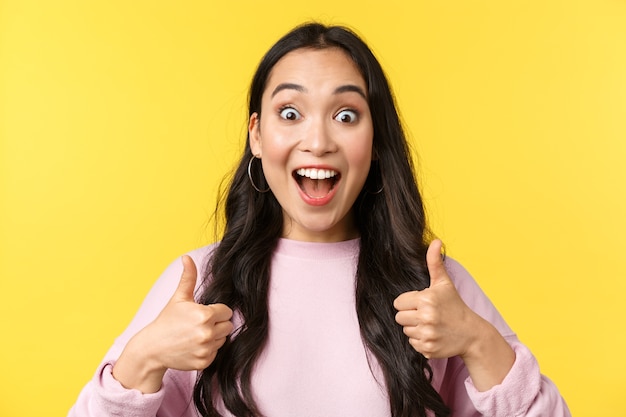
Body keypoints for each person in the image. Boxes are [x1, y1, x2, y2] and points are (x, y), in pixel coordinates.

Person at [69, 22, 571, 417]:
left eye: (346, 115)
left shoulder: (435, 288)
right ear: (257, 135)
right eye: (290, 113)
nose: (319, 141)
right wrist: (143, 358)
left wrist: (480, 342)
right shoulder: (202, 285)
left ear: (375, 143)